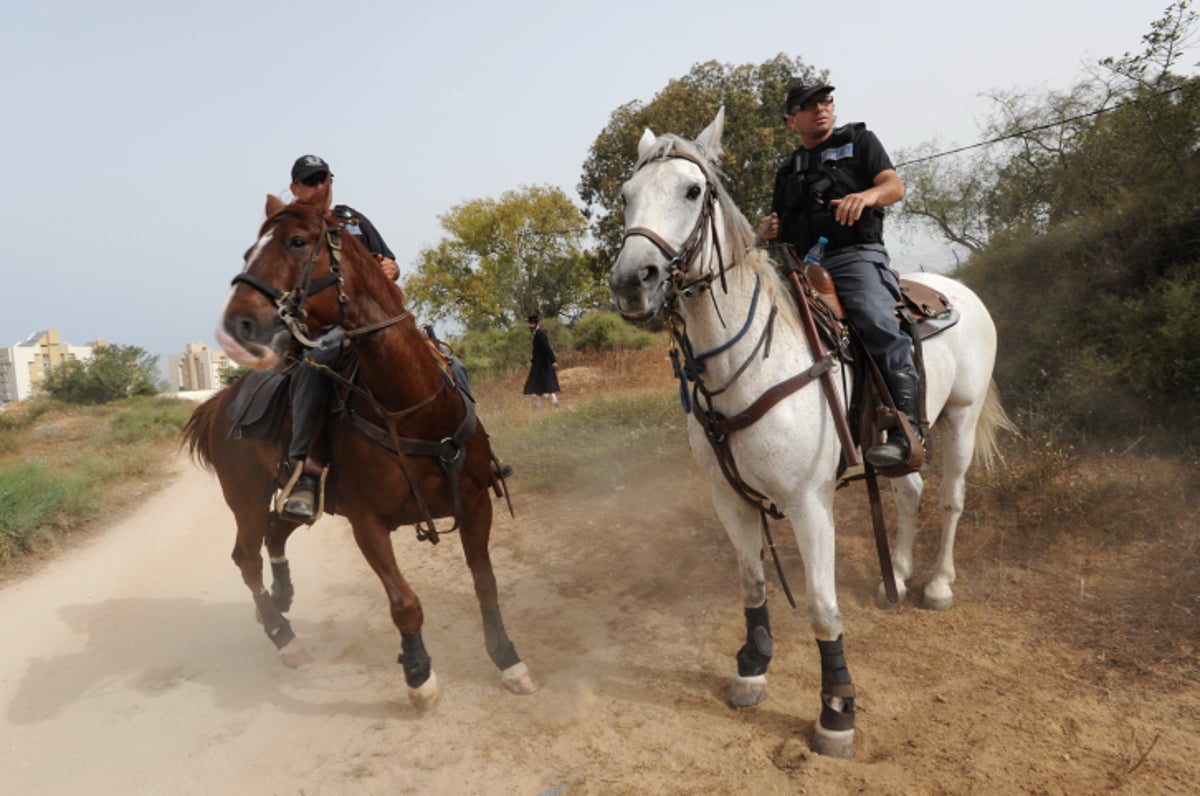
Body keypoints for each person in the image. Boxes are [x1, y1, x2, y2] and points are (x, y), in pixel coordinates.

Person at [758, 81, 919, 469]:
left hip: (854, 256)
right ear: (790, 119)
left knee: (875, 319)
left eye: (825, 101)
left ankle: (905, 429)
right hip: (800, 265)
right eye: (808, 105)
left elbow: (893, 187)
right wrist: (770, 229)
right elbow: (779, 220)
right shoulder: (788, 169)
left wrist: (866, 197)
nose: (820, 109)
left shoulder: (861, 142)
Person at [282, 155, 399, 520]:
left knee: (444, 359)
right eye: (310, 181)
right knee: (313, 368)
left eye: (323, 179)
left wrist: (391, 268)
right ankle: (304, 472)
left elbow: (390, 262)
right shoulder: (290, 229)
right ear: (295, 188)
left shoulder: (354, 219)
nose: (319, 187)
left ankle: (475, 452)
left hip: (380, 319)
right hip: (328, 327)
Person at [522, 314, 560, 407]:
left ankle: (554, 401)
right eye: (529, 324)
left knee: (547, 382)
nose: (529, 326)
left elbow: (547, 348)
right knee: (538, 383)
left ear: (535, 324)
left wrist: (553, 361)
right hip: (538, 364)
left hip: (543, 363)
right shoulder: (537, 333)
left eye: (531, 324)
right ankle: (540, 404)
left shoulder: (540, 334)